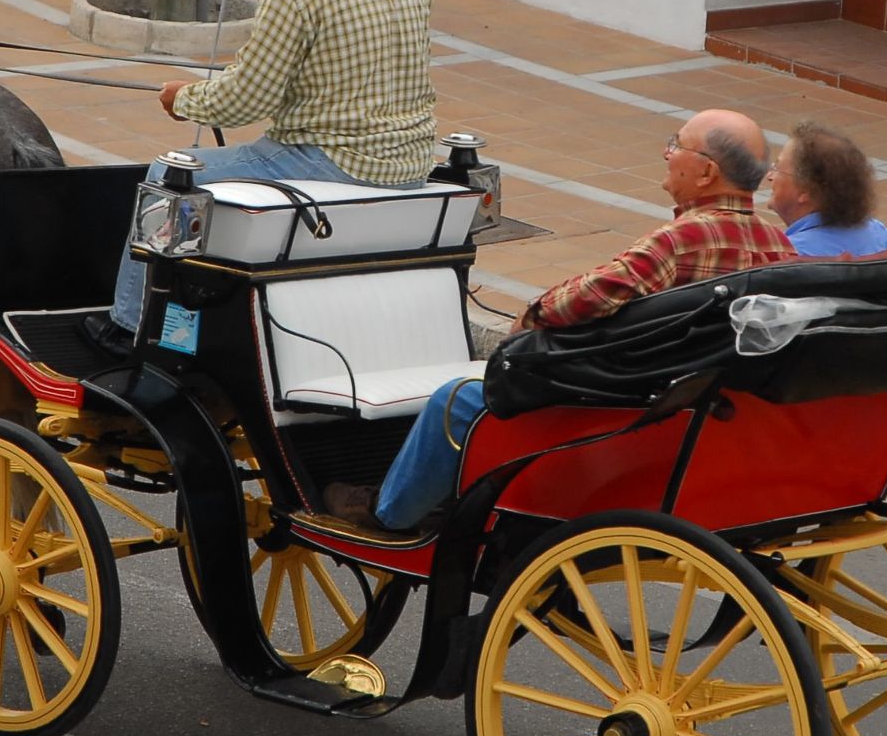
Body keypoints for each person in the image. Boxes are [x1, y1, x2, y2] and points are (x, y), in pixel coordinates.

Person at [327, 107, 796, 530]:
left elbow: (595, 294)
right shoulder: (781, 246)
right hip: (710, 411)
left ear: (706, 171)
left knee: (455, 400)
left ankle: (390, 513)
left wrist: (532, 315)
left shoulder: (683, 238)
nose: (666, 152)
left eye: (677, 145)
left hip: (630, 407)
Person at [102, 0, 438, 340]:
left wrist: (185, 98)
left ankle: (128, 328)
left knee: (167, 175)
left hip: (330, 161)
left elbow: (247, 102)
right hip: (410, 159)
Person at [769, 119, 887, 258]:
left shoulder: (789, 256)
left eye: (777, 168)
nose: (769, 175)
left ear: (805, 189)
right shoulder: (884, 237)